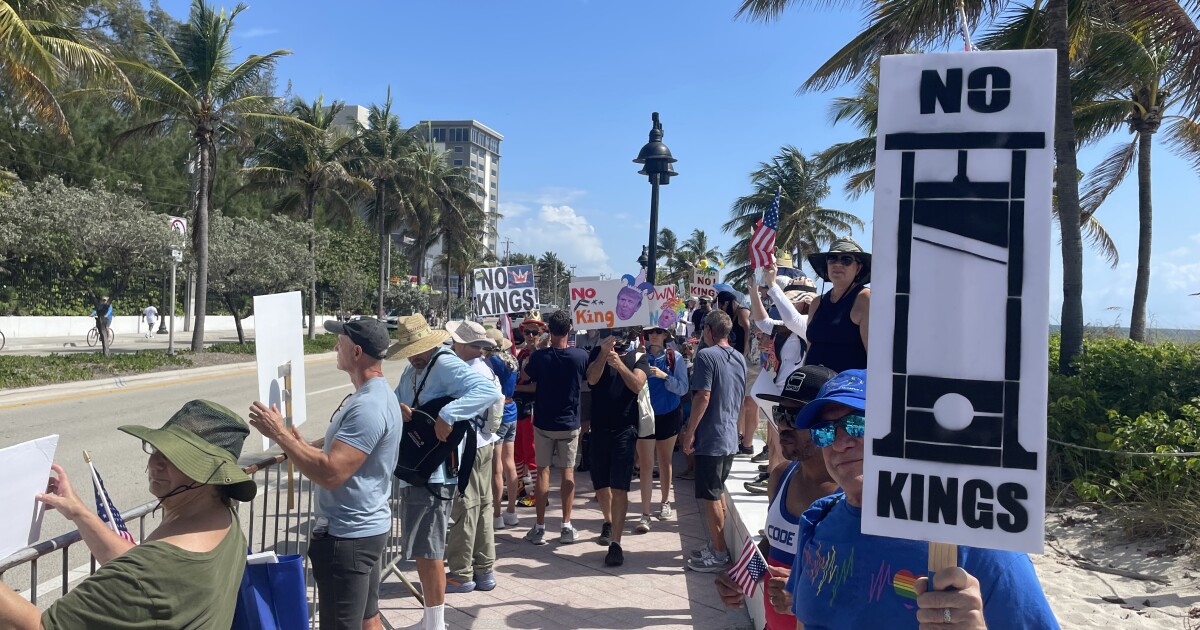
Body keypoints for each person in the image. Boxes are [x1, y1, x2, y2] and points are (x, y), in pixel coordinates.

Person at [784, 370, 1060, 629]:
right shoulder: (818, 519)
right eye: (824, 431)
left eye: (858, 424)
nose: (839, 443)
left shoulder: (976, 539)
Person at [0, 400, 258, 630]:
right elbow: (137, 568)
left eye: (177, 458)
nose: (155, 462)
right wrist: (78, 511)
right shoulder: (223, 519)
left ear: (210, 475)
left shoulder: (151, 572)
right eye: (157, 449)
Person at [248, 317, 399, 630]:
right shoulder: (374, 396)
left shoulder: (368, 406)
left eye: (340, 343)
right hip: (362, 530)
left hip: (349, 538)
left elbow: (332, 473)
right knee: (368, 619)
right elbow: (344, 459)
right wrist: (297, 444)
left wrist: (280, 435)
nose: (334, 348)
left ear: (357, 352)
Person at [387, 314, 500, 630]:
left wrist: (448, 414)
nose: (412, 356)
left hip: (436, 473)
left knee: (429, 551)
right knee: (426, 552)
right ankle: (431, 620)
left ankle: (435, 624)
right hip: (423, 470)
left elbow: (488, 392)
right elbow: (397, 399)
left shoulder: (444, 362)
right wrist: (399, 409)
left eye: (416, 350)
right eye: (409, 351)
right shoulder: (414, 368)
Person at [711, 365, 838, 629]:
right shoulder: (781, 476)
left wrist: (805, 596)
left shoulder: (850, 495)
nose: (782, 426)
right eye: (780, 413)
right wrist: (742, 575)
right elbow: (772, 544)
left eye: (796, 416)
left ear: (827, 422)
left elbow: (868, 586)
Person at [680, 309, 746, 572]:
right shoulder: (739, 357)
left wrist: (689, 433)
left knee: (710, 496)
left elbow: (703, 396)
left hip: (711, 437)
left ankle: (719, 553)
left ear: (708, 330)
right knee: (717, 493)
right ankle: (717, 546)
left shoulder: (706, 356)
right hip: (729, 436)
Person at [443, 321, 505, 595]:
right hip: (485, 443)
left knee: (465, 509)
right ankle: (484, 569)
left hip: (467, 447)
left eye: (456, 341)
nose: (453, 345)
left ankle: (461, 573)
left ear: (466, 346)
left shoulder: (465, 373)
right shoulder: (485, 369)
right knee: (483, 506)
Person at [744, 266, 818, 493]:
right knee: (779, 445)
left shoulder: (809, 324)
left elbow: (793, 319)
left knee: (789, 447)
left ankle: (784, 488)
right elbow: (763, 322)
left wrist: (772, 285)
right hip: (781, 395)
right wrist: (754, 291)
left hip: (796, 398)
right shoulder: (791, 327)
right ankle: (776, 485)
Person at [520, 309, 590, 546]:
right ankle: (566, 526)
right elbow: (590, 378)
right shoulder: (580, 356)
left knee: (543, 473)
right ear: (569, 328)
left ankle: (539, 527)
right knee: (568, 473)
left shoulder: (540, 357)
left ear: (549, 330)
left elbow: (524, 374)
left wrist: (538, 348)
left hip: (543, 423)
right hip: (569, 424)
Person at [585, 327, 649, 566]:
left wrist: (620, 365)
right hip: (599, 429)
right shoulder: (597, 353)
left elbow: (637, 385)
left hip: (625, 429)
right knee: (601, 485)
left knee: (620, 487)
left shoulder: (638, 356)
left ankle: (616, 544)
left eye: (621, 333)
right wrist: (604, 354)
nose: (618, 337)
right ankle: (609, 522)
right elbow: (592, 379)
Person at [635, 325, 689, 528]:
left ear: (666, 334)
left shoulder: (675, 357)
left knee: (665, 461)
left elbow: (683, 388)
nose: (654, 335)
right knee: (646, 465)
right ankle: (645, 514)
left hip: (668, 413)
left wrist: (664, 376)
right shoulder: (640, 355)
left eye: (658, 331)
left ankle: (665, 502)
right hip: (645, 414)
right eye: (650, 332)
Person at [804, 238, 871, 372]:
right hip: (813, 382)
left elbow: (873, 355)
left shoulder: (865, 299)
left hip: (848, 384)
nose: (838, 264)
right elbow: (810, 348)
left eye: (846, 260)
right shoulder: (816, 303)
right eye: (832, 259)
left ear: (858, 268)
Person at [485, 328, 521, 531]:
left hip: (497, 413)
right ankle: (511, 511)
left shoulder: (490, 362)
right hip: (511, 409)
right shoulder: (512, 359)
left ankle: (497, 514)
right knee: (510, 463)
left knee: (496, 467)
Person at [717, 290, 758, 458]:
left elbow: (748, 330)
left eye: (721, 305)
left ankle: (748, 443)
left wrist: (745, 354)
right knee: (740, 401)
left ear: (727, 303)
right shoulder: (734, 314)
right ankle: (740, 436)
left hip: (749, 361)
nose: (720, 309)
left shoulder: (741, 311)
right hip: (741, 360)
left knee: (750, 403)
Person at [512, 314, 547, 499]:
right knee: (517, 451)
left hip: (533, 408)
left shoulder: (543, 355)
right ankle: (519, 487)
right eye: (527, 332)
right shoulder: (522, 353)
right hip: (519, 407)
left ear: (541, 334)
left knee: (531, 452)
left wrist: (514, 388)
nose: (530, 336)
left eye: (534, 332)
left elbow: (536, 386)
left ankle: (536, 493)